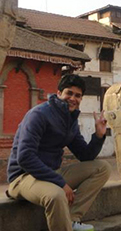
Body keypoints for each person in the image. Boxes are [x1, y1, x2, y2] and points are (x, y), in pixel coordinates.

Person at [6, 74, 111, 231]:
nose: (73, 98)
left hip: (50, 174)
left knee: (103, 168)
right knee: (56, 195)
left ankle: (72, 219)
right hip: (23, 178)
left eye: (78, 95)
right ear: (59, 93)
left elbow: (85, 155)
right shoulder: (39, 115)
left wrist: (98, 135)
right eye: (69, 93)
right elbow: (25, 157)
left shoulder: (71, 122)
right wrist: (60, 182)